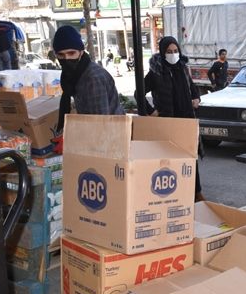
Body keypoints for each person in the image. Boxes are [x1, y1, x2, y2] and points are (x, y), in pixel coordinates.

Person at [138, 36, 205, 202]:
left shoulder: (183, 68)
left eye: (175, 51)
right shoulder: (156, 72)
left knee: (190, 158)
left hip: (186, 120)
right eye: (169, 51)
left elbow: (193, 88)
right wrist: (151, 111)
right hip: (168, 123)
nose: (173, 54)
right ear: (162, 53)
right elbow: (138, 93)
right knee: (171, 160)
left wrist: (196, 98)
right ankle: (176, 194)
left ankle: (196, 192)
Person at [52, 25, 124, 152]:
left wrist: (72, 139)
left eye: (71, 53)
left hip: (111, 143)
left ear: (81, 52)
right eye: (61, 55)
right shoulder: (74, 74)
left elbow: (100, 125)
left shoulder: (92, 79)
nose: (67, 59)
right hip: (101, 138)